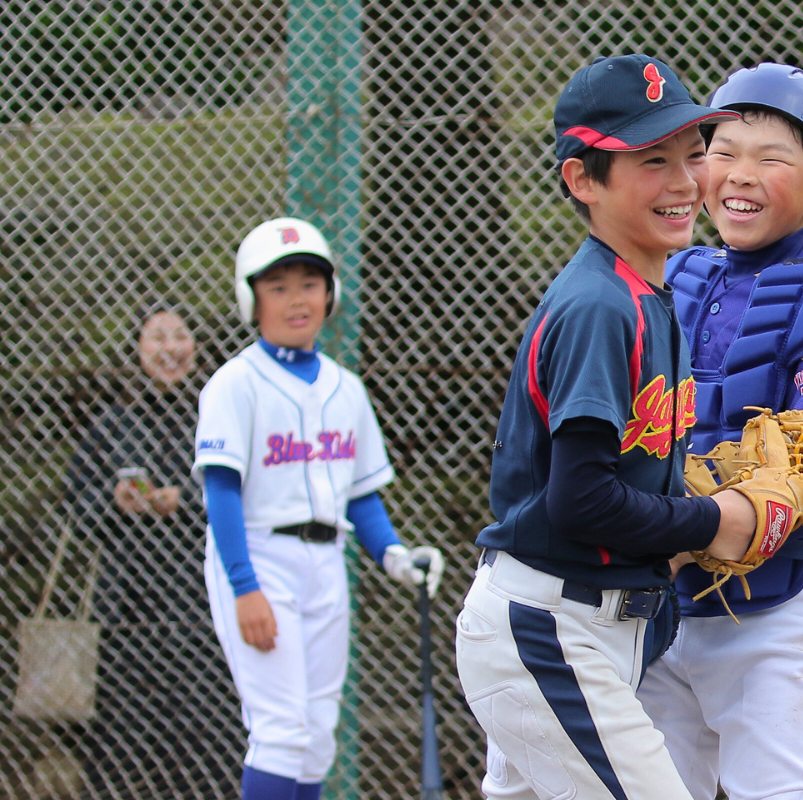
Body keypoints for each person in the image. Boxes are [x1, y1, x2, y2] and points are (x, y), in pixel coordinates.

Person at [452, 54, 756, 800]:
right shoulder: (600, 306)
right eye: (652, 161)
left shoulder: (647, 294)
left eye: (693, 154)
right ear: (583, 179)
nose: (685, 182)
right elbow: (580, 501)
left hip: (583, 627)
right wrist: (712, 520)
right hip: (551, 629)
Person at [636, 63, 803, 800]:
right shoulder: (669, 277)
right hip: (666, 604)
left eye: (771, 158)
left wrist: (701, 519)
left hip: (781, 613)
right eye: (722, 151)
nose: (740, 173)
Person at [193, 217, 445, 800]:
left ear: (330, 293)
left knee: (317, 736)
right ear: (251, 299)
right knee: (282, 732)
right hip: (260, 557)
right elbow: (221, 492)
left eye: (309, 284)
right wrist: (245, 587)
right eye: (277, 286)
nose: (297, 299)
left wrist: (393, 555)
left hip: (326, 562)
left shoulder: (345, 387)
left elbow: (359, 495)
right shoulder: (234, 383)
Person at [66, 306, 240, 798]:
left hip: (202, 600)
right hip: (126, 604)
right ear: (137, 350)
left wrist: (184, 502)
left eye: (179, 336)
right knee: (122, 730)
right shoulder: (110, 425)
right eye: (157, 337)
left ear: (197, 347)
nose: (169, 349)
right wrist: (114, 501)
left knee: (211, 724)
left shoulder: (216, 418)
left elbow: (248, 496)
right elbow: (75, 510)